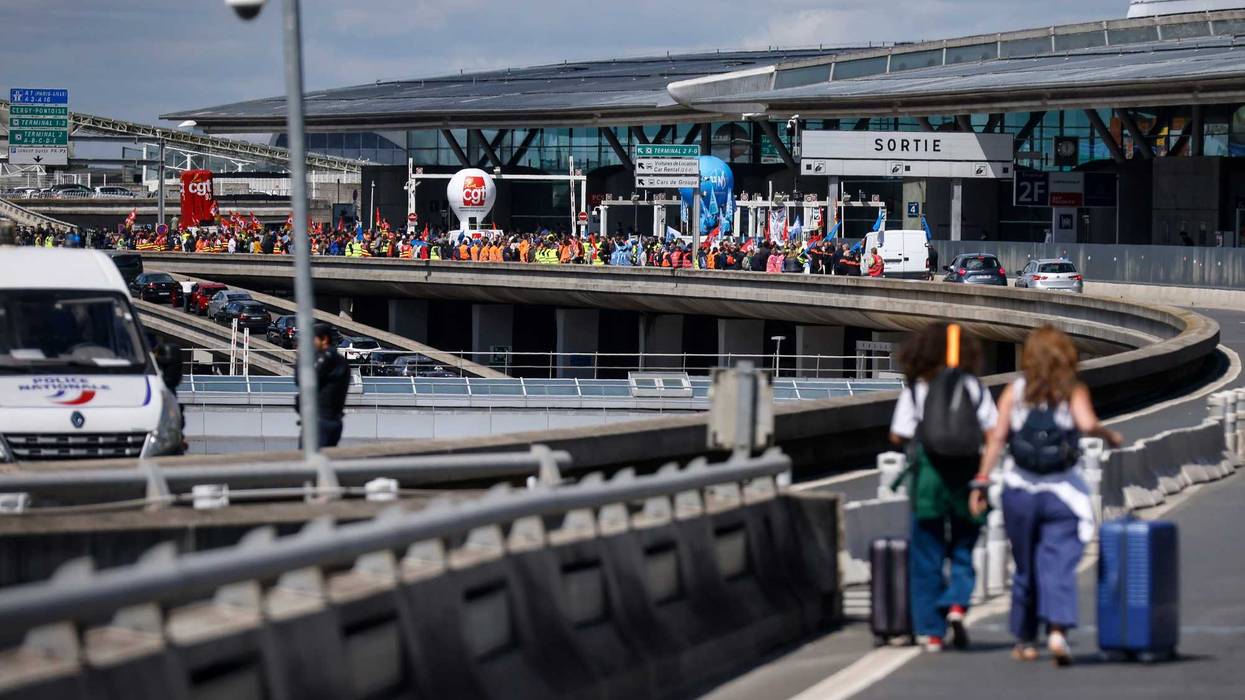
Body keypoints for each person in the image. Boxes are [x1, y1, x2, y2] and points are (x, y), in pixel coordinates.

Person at [970, 325, 1122, 665]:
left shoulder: (1016, 390)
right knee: (1057, 565)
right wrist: (1109, 435)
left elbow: (996, 439)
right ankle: (1057, 631)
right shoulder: (1072, 390)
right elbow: (1086, 425)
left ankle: (1024, 639)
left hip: (1019, 492)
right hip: (1062, 494)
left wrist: (981, 480)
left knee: (1025, 568)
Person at [890, 323, 997, 652]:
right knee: (964, 545)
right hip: (966, 474)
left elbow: (897, 434)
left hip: (929, 476)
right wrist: (981, 478)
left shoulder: (917, 388)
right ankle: (956, 604)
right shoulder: (971, 385)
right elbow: (992, 433)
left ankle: (932, 632)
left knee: (927, 552)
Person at [295, 323, 351, 449]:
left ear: (324, 339)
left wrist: (301, 357)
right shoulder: (339, 360)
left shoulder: (328, 358)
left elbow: (302, 380)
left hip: (320, 421)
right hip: (328, 420)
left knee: (310, 462)